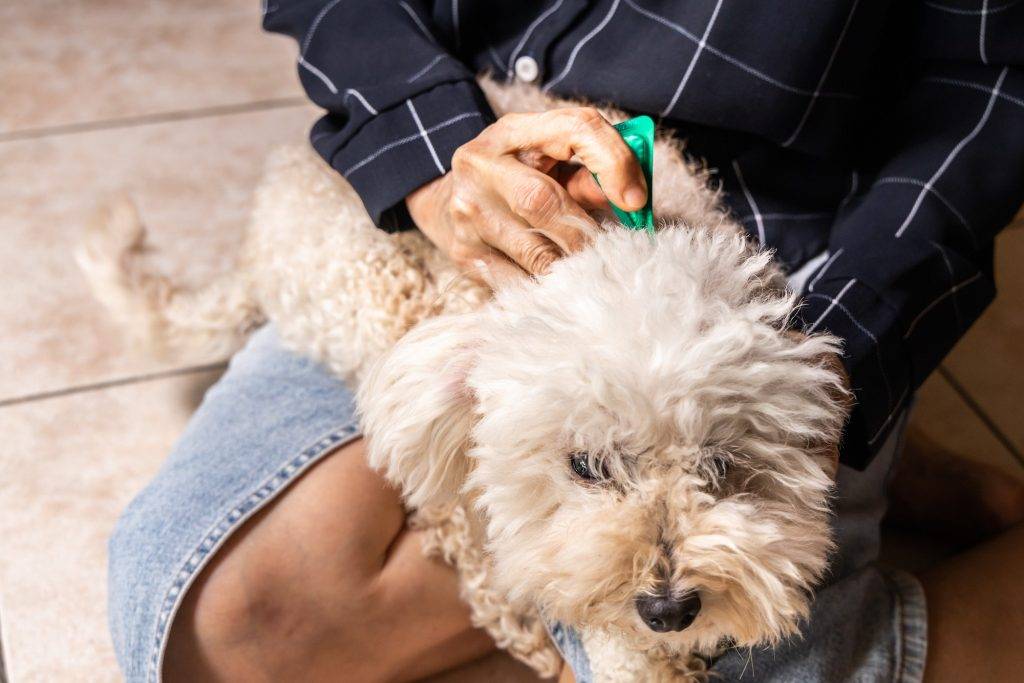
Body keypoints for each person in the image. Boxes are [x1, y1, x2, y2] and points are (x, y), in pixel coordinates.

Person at [107, 2, 1024, 681]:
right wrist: (428, 150)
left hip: (793, 257)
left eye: (715, 466)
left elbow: (991, 87)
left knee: (739, 653)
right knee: (214, 624)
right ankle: (855, 478)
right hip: (456, 190)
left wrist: (851, 351)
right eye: (594, 464)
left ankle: (863, 446)